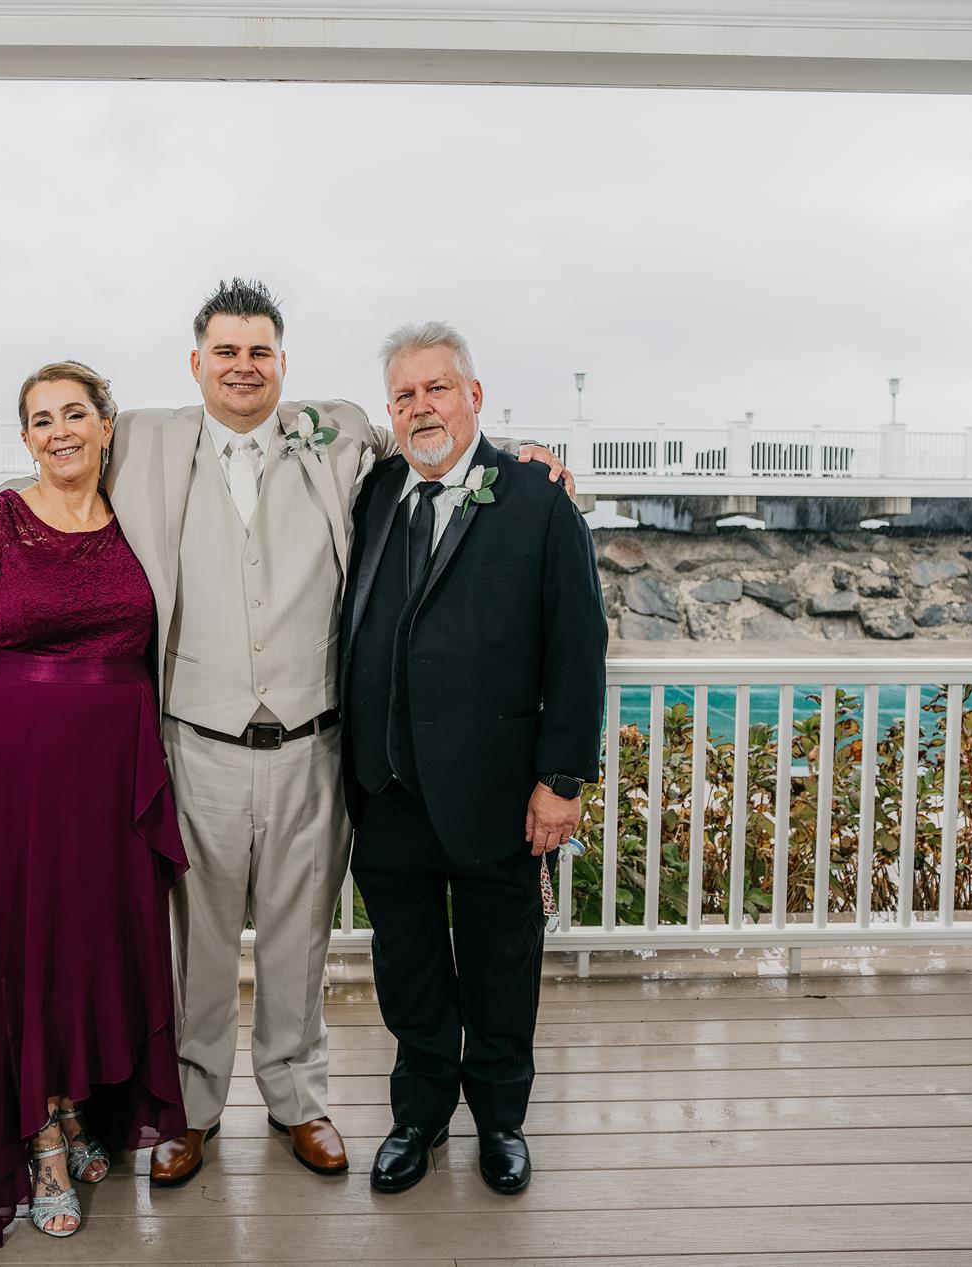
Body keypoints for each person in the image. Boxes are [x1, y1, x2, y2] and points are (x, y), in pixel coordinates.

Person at [0, 280, 573, 1186]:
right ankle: (191, 1109)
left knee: (297, 937)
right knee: (195, 941)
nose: (244, 367)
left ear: (282, 362)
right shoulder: (144, 440)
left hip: (315, 744)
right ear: (197, 363)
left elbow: (437, 440)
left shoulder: (339, 433)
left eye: (260, 352)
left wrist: (524, 454)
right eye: (226, 353)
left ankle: (297, 1098)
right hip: (194, 744)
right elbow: (55, 466)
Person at [0, 361, 188, 1246]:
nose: (60, 431)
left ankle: (80, 1101)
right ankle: (43, 1132)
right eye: (42, 419)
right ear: (25, 438)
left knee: (93, 945)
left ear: (105, 425)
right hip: (14, 773)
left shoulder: (139, 519)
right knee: (26, 948)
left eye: (75, 413)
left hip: (112, 779)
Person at [341, 321, 608, 1198]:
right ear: (391, 411)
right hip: (387, 789)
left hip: (499, 792)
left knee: (502, 968)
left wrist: (562, 779)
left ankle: (500, 1121)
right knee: (407, 970)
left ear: (474, 395)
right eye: (405, 394)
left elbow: (578, 647)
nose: (422, 407)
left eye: (437, 388)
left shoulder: (536, 496)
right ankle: (418, 1116)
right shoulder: (374, 493)